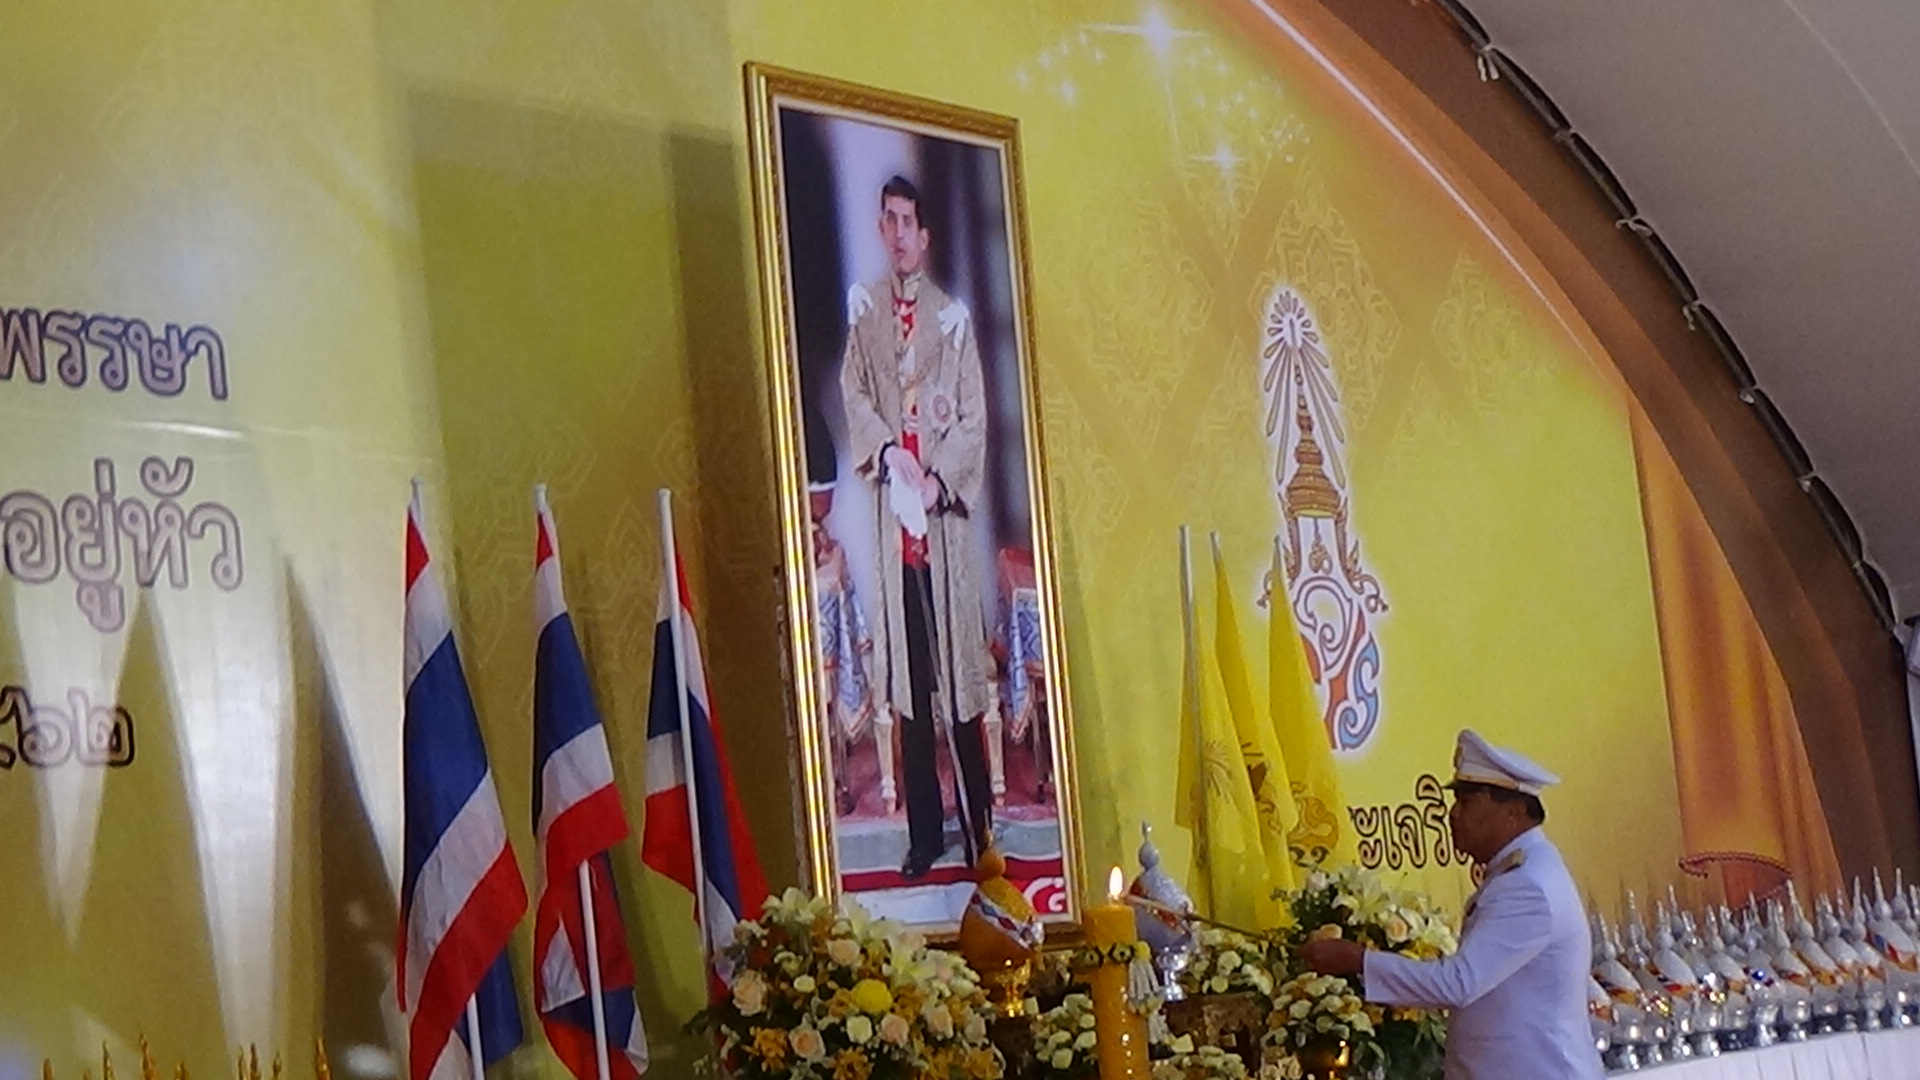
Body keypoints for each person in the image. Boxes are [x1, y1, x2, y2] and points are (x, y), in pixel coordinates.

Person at [838, 174, 994, 879]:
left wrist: (937, 481)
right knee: (910, 688)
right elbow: (855, 393)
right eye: (889, 219)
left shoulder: (952, 319)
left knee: (958, 681)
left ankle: (980, 827)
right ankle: (925, 834)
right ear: (881, 229)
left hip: (942, 529)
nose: (899, 232)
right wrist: (888, 453)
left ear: (924, 236)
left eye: (909, 221)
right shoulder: (866, 311)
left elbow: (972, 416)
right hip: (893, 526)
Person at [1300, 729, 1603, 1079]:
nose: (1453, 815)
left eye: (1467, 802)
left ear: (1513, 812)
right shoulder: (1526, 869)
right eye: (1454, 802)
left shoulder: (1527, 884)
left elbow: (1458, 983)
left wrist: (1356, 959)